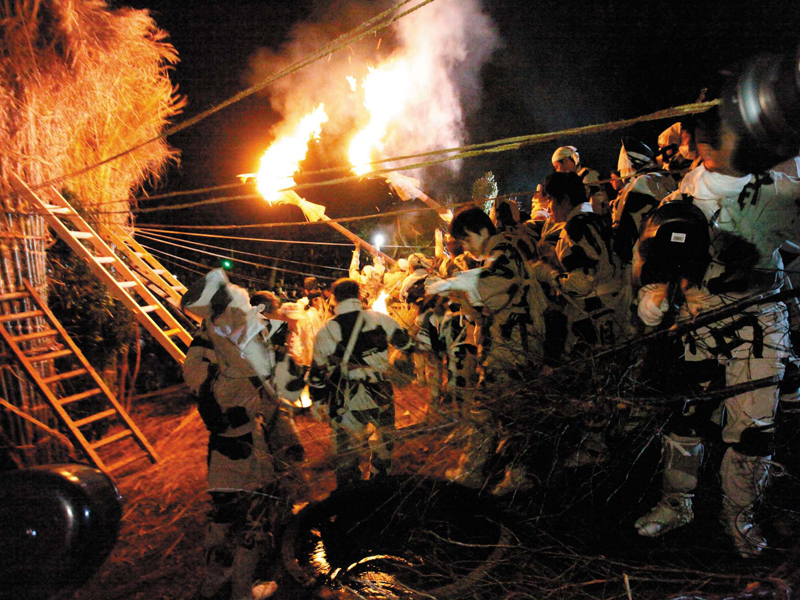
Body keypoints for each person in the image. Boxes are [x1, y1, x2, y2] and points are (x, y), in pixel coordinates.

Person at [632, 106, 800, 558]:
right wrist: (652, 297)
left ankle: (740, 518)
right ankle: (676, 503)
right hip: (697, 323)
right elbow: (651, 257)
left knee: (752, 433)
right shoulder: (680, 200)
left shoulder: (781, 191)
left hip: (759, 327)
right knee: (683, 421)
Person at [181, 269, 294, 600]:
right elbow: (270, 382)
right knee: (252, 520)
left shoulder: (204, 341)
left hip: (220, 445)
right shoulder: (238, 337)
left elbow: (196, 380)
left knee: (223, 517)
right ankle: (242, 592)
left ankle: (212, 584)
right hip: (245, 442)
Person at [426, 207, 546, 494]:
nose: (466, 248)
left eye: (467, 240)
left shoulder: (503, 251)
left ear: (482, 231)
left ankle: (476, 472)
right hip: (511, 346)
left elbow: (492, 286)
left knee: (488, 410)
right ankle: (511, 473)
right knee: (510, 412)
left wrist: (453, 285)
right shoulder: (501, 252)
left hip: (513, 348)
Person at [531, 172, 624, 467]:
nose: (550, 208)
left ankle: (595, 447)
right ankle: (611, 437)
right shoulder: (598, 219)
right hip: (610, 309)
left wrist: (549, 274)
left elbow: (584, 280)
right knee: (607, 377)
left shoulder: (576, 226)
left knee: (591, 380)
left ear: (564, 200)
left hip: (590, 314)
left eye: (551, 201)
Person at [307, 278, 414, 489]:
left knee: (347, 454)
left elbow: (318, 373)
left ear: (334, 299)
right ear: (358, 295)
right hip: (380, 392)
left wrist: (318, 402)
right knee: (383, 445)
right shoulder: (380, 319)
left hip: (345, 399)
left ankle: (351, 499)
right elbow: (407, 344)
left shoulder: (328, 331)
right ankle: (379, 489)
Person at [552, 145, 609, 216]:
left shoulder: (588, 175)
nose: (557, 171)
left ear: (565, 161)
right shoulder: (578, 176)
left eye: (557, 167)